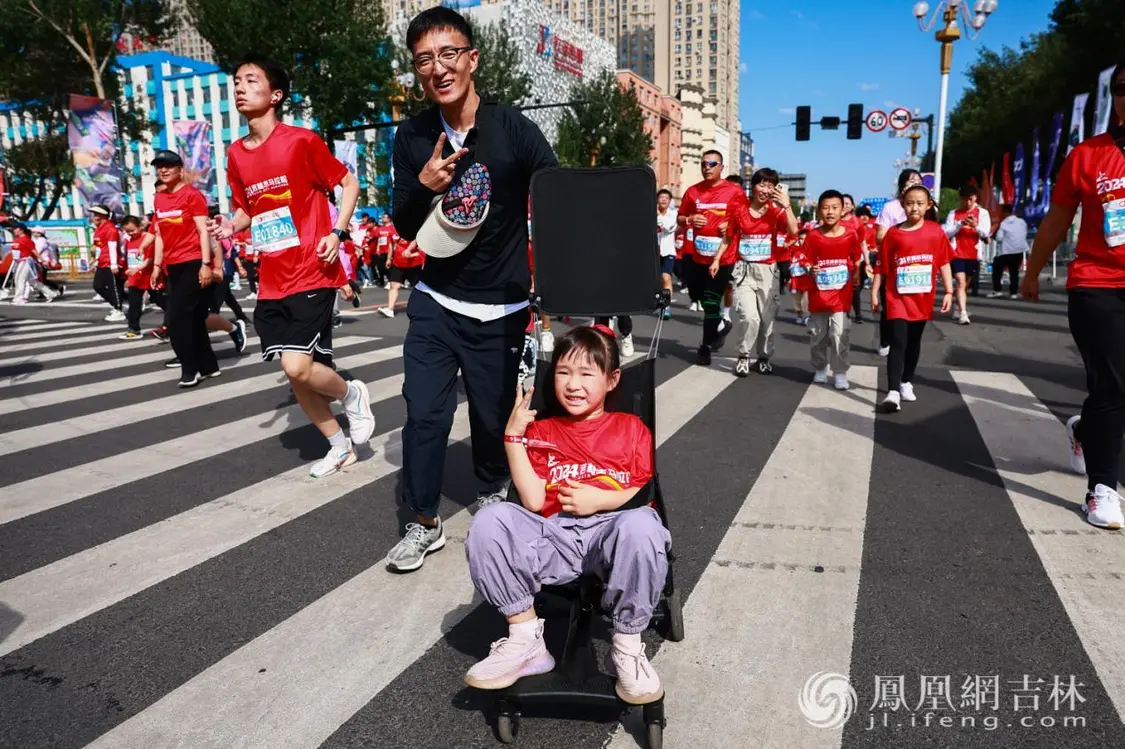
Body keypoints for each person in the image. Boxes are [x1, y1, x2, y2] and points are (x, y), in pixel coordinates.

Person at [386, 7, 558, 572]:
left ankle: (492, 493)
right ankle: (421, 520)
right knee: (425, 414)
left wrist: (559, 288)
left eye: (448, 54)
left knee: (491, 420)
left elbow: (557, 198)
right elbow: (405, 226)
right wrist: (423, 187)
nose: (438, 68)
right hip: (435, 300)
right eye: (425, 60)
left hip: (503, 306)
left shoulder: (513, 130)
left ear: (472, 58)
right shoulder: (412, 137)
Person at [464, 325, 670, 704]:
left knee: (643, 526)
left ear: (612, 380)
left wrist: (599, 500)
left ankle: (626, 646)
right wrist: (513, 438)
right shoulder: (544, 429)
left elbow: (643, 493)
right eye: (563, 372)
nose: (573, 384)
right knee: (490, 519)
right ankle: (525, 638)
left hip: (612, 536)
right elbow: (532, 500)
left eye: (586, 374)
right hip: (555, 536)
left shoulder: (631, 428)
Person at [208, 55, 375, 477]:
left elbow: (349, 183)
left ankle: (352, 394)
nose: (240, 87)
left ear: (275, 94)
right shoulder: (235, 154)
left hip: (312, 270)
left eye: (251, 80)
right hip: (272, 279)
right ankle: (338, 446)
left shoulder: (301, 141)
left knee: (295, 366)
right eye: (237, 81)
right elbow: (249, 211)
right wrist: (231, 224)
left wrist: (336, 232)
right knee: (299, 379)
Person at [1021, 61, 1125, 530]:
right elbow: (1058, 218)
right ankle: (1103, 488)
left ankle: (1084, 430)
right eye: (1124, 88)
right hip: (1099, 284)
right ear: (1114, 98)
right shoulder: (1088, 155)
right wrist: (1033, 270)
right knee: (1111, 385)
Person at [871, 185, 954, 413]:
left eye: (919, 203)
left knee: (913, 342)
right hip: (896, 297)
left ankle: (906, 381)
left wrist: (949, 291)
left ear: (928, 205)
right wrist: (874, 292)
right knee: (898, 341)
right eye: (909, 203)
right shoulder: (893, 234)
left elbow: (944, 262)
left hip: (922, 297)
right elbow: (882, 267)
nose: (914, 207)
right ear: (902, 205)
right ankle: (893, 392)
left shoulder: (935, 231)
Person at [723, 167, 799, 376]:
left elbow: (794, 231)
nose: (765, 189)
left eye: (770, 186)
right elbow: (728, 237)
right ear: (753, 186)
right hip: (744, 270)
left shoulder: (776, 212)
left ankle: (764, 357)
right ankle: (743, 355)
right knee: (749, 317)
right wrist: (717, 259)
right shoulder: (740, 210)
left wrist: (787, 206)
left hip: (768, 271)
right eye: (762, 184)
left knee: (767, 320)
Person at [677, 150, 744, 366]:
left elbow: (745, 219)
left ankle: (705, 346)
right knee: (697, 295)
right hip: (697, 257)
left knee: (711, 299)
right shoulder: (692, 192)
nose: (707, 167)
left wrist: (731, 224)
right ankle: (720, 325)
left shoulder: (734, 191)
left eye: (712, 164)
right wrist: (689, 219)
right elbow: (680, 219)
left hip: (722, 257)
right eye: (703, 163)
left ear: (721, 167)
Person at [804, 190, 864, 390]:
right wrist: (809, 268)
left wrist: (856, 274)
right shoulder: (813, 236)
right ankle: (820, 367)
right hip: (819, 295)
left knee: (840, 334)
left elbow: (856, 257)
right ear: (819, 210)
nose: (830, 212)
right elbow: (804, 258)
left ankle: (839, 372)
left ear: (842, 210)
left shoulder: (850, 235)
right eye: (825, 207)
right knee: (818, 335)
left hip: (841, 295)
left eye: (835, 207)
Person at [942, 184, 991, 324]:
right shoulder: (954, 213)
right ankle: (963, 313)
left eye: (970, 199)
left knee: (965, 285)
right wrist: (959, 224)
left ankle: (958, 306)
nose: (968, 202)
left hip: (973, 254)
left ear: (975, 198)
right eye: (965, 199)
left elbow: (986, 233)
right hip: (956, 253)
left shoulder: (983, 213)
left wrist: (975, 226)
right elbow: (946, 232)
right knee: (960, 282)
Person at [119, 215, 160, 340]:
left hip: (148, 275)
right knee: (134, 304)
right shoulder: (129, 241)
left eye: (133, 230)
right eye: (128, 231)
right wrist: (127, 276)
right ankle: (134, 329)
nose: (131, 233)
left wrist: (138, 269)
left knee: (161, 301)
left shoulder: (147, 238)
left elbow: (150, 258)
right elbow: (129, 259)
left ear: (140, 226)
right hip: (135, 277)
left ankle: (171, 325)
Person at [89, 206, 126, 321]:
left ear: (104, 215)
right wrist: (95, 259)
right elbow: (99, 247)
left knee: (114, 288)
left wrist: (114, 264)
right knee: (98, 286)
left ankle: (118, 310)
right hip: (102, 262)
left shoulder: (110, 229)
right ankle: (120, 304)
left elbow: (112, 246)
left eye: (96, 214)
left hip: (110, 263)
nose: (94, 217)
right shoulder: (99, 228)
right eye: (94, 214)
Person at [990, 203, 1027, 298]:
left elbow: (999, 238)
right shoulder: (1022, 221)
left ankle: (997, 290)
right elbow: (1024, 232)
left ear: (1005, 212)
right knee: (1014, 272)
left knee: (997, 269)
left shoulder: (1004, 223)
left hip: (1006, 251)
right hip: (1019, 251)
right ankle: (1013, 293)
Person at [656, 188, 677, 321]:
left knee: (666, 278)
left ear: (669, 201)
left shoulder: (673, 214)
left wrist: (658, 216)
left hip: (668, 250)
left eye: (666, 198)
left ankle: (667, 307)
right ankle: (660, 301)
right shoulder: (650, 213)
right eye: (661, 197)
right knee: (658, 280)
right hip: (654, 251)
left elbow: (668, 227)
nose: (663, 199)